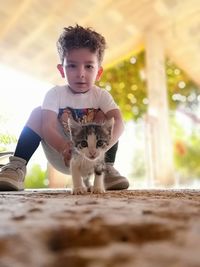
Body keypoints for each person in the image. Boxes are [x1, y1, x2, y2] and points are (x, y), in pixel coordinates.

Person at [0, 24, 129, 191]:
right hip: (61, 151)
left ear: (98, 72)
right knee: (38, 113)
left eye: (89, 66)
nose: (81, 73)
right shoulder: (55, 94)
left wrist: (100, 152)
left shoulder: (101, 96)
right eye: (72, 66)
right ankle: (16, 166)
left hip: (95, 155)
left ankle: (107, 168)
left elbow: (119, 121)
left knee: (108, 119)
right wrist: (63, 148)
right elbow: (47, 126)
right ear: (62, 70)